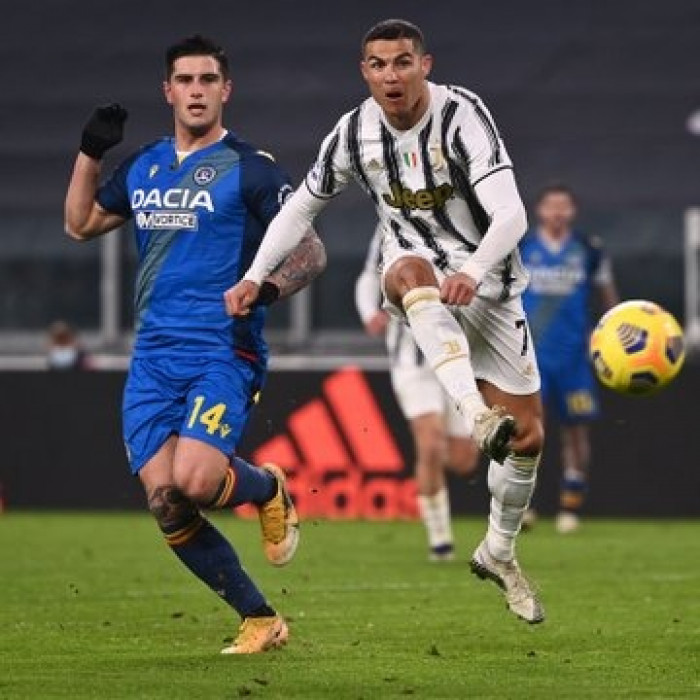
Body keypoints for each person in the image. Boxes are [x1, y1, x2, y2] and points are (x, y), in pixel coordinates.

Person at [225, 19, 545, 624]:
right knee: (404, 270)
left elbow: (512, 216)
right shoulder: (353, 133)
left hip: (490, 285)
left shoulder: (462, 116)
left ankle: (499, 552)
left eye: (402, 62)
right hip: (417, 269)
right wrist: (253, 275)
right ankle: (474, 414)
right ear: (364, 72)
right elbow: (302, 208)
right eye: (378, 65)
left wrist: (473, 271)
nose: (390, 75)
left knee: (527, 441)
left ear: (425, 65)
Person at [64, 35, 327, 654]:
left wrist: (264, 289)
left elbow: (311, 251)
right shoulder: (145, 166)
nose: (197, 90)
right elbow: (80, 225)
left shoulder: (252, 168)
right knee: (167, 503)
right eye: (185, 80)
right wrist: (90, 152)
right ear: (168, 91)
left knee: (196, 481)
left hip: (223, 351)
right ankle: (260, 619)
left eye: (208, 79)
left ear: (225, 89)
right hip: (153, 359)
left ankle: (267, 488)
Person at [355, 225, 479, 560]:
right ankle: (440, 539)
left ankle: (434, 475)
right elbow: (369, 275)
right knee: (430, 442)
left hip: (457, 355)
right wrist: (369, 312)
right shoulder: (389, 224)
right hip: (412, 361)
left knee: (464, 460)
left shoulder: (464, 219)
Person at [520, 184, 619, 534]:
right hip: (532, 357)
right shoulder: (522, 247)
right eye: (552, 206)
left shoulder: (588, 249)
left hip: (575, 356)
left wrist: (610, 332)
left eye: (564, 206)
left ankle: (570, 505)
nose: (558, 212)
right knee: (531, 431)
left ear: (573, 211)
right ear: (539, 210)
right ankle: (525, 504)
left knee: (576, 430)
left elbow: (607, 296)